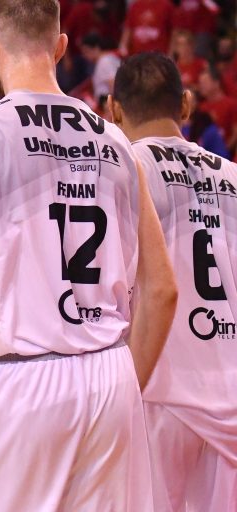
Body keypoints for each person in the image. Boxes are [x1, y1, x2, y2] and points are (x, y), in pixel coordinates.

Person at [0, 1, 178, 510]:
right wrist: (122, 389)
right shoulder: (118, 141)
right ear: (61, 46)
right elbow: (161, 290)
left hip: (19, 375)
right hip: (110, 372)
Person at [109, 52, 237, 512]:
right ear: (185, 104)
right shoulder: (234, 177)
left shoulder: (121, 170)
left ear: (114, 110)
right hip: (230, 390)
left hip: (156, 386)